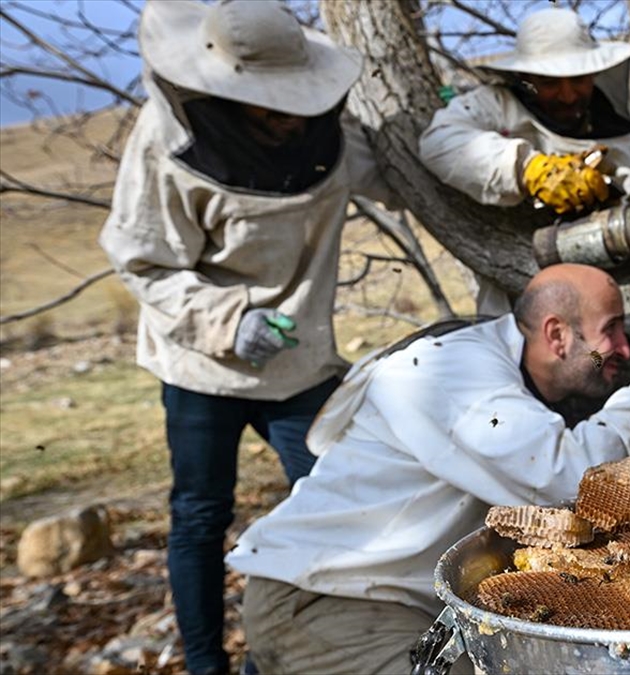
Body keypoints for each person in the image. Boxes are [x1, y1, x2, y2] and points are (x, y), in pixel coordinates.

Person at [226, 263, 630, 674]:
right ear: (557, 335)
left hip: (385, 600)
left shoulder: (512, 370)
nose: (626, 349)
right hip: (327, 600)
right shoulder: (452, 374)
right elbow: (572, 479)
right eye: (611, 331)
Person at [98, 2, 397, 673]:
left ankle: (304, 650)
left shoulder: (332, 133)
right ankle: (207, 664)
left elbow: (399, 180)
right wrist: (228, 320)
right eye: (272, 110)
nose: (292, 119)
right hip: (200, 367)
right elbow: (143, 260)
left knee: (337, 499)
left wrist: (430, 127)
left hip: (303, 359)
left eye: (297, 104)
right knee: (201, 516)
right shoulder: (164, 143)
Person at [419, 6, 630, 313]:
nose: (567, 95)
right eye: (550, 83)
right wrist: (530, 170)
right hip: (514, 309)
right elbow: (439, 142)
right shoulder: (493, 107)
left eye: (578, 80)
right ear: (526, 77)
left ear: (595, 73)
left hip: (613, 307)